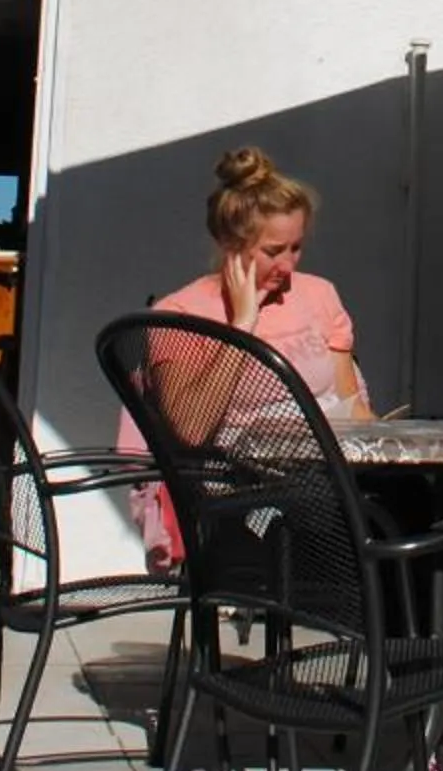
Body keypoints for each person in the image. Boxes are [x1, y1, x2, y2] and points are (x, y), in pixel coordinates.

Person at [120, 145, 369, 570]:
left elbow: (356, 410)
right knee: (332, 508)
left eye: (297, 248)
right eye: (274, 251)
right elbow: (192, 429)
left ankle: (408, 633)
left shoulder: (319, 294)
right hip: (242, 490)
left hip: (329, 469)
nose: (288, 265)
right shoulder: (180, 316)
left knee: (414, 497)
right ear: (230, 244)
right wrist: (241, 326)